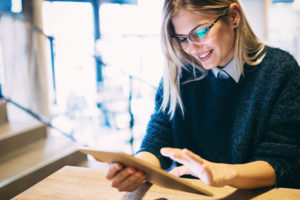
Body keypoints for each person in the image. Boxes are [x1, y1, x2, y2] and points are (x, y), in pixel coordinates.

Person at [104, 0, 300, 192]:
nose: (192, 48)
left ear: (233, 16)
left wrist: (223, 172)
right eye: (182, 38)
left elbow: (281, 162)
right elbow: (159, 136)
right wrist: (137, 167)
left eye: (200, 32)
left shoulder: (280, 70)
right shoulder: (180, 72)